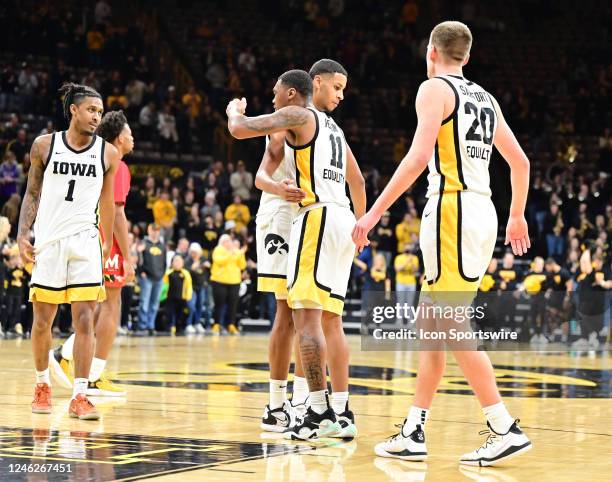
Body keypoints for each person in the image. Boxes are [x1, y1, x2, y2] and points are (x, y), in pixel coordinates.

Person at [352, 21, 532, 465]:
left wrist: (374, 212)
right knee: (431, 326)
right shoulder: (486, 99)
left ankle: (503, 425)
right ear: (466, 56)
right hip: (483, 210)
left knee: (449, 324)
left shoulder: (433, 89)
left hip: (452, 209)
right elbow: (521, 163)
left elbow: (417, 158)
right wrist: (516, 215)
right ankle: (414, 429)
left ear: (432, 51)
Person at [227, 61, 366, 440]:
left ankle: (319, 409)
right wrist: (363, 222)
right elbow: (357, 179)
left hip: (315, 216)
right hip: (313, 217)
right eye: (336, 87)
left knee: (306, 316)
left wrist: (233, 111)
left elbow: (238, 130)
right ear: (316, 84)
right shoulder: (330, 129)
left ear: (292, 92)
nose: (340, 95)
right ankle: (305, 406)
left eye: (276, 92)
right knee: (302, 314)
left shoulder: (299, 116)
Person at [17, 83, 120, 420]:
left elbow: (107, 202)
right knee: (43, 320)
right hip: (49, 240)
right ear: (73, 110)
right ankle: (42, 384)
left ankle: (80, 395)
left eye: (100, 112)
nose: (96, 117)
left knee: (86, 319)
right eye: (91, 110)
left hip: (85, 241)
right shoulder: (44, 145)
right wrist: (22, 236)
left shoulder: (108, 153)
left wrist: (104, 244)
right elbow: (31, 193)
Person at [49, 110, 135, 397]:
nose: (133, 138)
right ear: (121, 138)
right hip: (103, 239)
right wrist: (128, 254)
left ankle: (68, 356)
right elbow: (118, 212)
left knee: (97, 307)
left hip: (85, 236)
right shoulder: (115, 163)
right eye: (131, 133)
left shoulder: (93, 157)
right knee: (109, 305)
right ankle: (87, 371)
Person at [210, 235, 246, 335]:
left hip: (234, 281)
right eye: (225, 241)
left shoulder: (236, 252)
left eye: (229, 240)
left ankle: (231, 325)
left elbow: (242, 265)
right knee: (219, 304)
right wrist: (231, 253)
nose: (228, 243)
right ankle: (216, 324)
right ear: (221, 242)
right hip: (219, 281)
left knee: (233, 305)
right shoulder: (218, 250)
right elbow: (220, 262)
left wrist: (241, 254)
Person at [136, 224, 167, 335]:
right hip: (146, 277)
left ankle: (151, 326)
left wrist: (162, 274)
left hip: (159, 278)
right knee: (144, 302)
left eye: (157, 230)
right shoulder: (143, 243)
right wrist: (141, 271)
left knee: (155, 303)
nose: (155, 232)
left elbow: (164, 262)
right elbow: (138, 259)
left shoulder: (162, 246)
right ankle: (142, 326)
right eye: (153, 230)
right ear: (149, 231)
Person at [163, 255, 193, 335]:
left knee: (181, 314)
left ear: (183, 263)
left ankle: (179, 328)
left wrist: (188, 296)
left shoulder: (185, 273)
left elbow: (189, 285)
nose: (177, 263)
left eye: (179, 261)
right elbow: (164, 285)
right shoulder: (168, 273)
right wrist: (163, 296)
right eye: (175, 261)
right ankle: (170, 326)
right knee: (169, 313)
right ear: (172, 263)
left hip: (182, 297)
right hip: (170, 297)